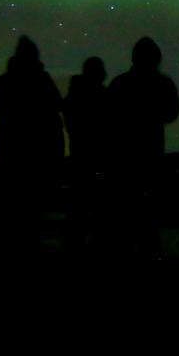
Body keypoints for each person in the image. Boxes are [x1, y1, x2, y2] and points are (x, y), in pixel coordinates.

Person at [107, 36, 179, 258]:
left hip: (124, 159)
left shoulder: (119, 83)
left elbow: (108, 118)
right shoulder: (163, 84)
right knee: (148, 219)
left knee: (124, 219)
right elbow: (171, 113)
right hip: (151, 155)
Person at [0, 36, 64, 253]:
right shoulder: (42, 80)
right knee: (29, 201)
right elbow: (55, 106)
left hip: (12, 145)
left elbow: (0, 109)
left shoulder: (5, 80)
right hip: (35, 148)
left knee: (13, 198)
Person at [63, 56, 107, 248]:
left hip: (80, 149)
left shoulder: (74, 95)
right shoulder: (102, 95)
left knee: (79, 195)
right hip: (96, 151)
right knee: (95, 196)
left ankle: (75, 239)